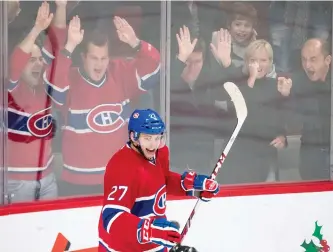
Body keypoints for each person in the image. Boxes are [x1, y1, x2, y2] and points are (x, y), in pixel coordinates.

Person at [98, 108, 219, 252]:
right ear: (134, 137)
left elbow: (163, 180)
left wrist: (192, 188)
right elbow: (112, 218)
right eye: (147, 138)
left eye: (157, 137)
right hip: (123, 247)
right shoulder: (121, 166)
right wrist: (149, 231)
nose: (153, 144)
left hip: (155, 242)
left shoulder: (160, 153)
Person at [277, 38, 331, 180]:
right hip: (311, 155)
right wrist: (285, 96)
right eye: (304, 60)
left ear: (327, 60)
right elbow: (290, 119)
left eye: (313, 59)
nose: (307, 65)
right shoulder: (297, 83)